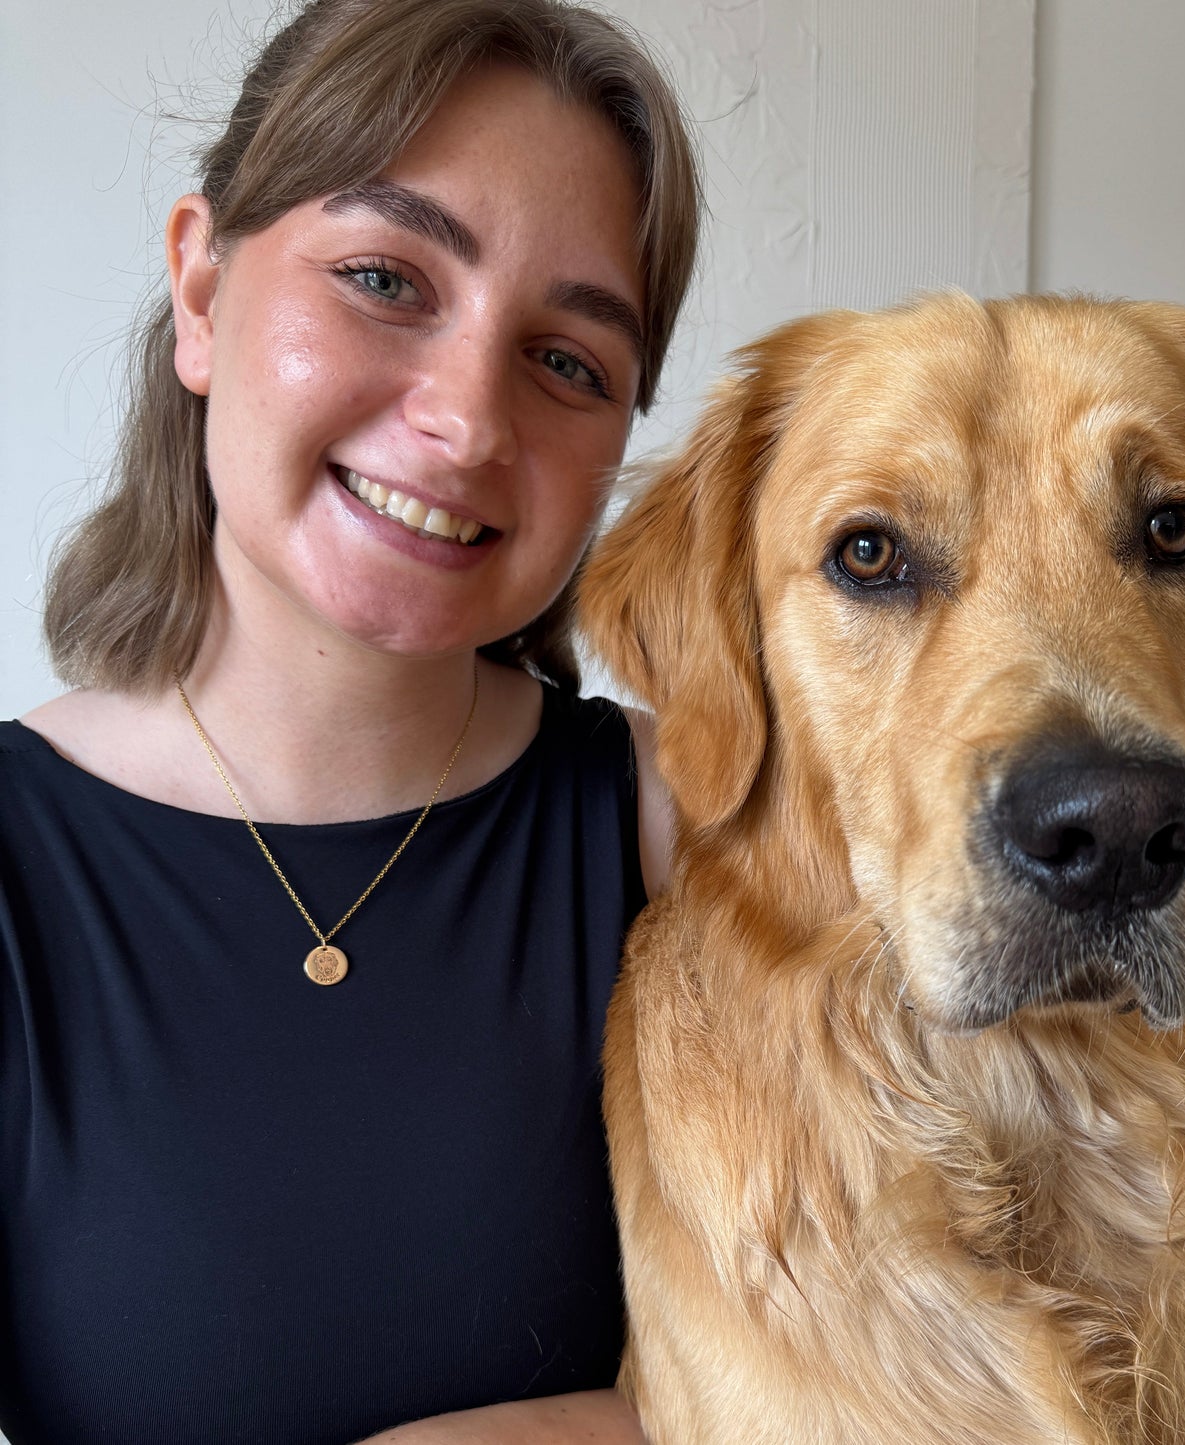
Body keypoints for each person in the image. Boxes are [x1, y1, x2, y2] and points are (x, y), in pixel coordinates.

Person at [0, 0, 700, 1440]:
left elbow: (933, 1364)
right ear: (201, 291)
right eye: (386, 277)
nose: (467, 420)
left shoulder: (688, 828)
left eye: (569, 362)